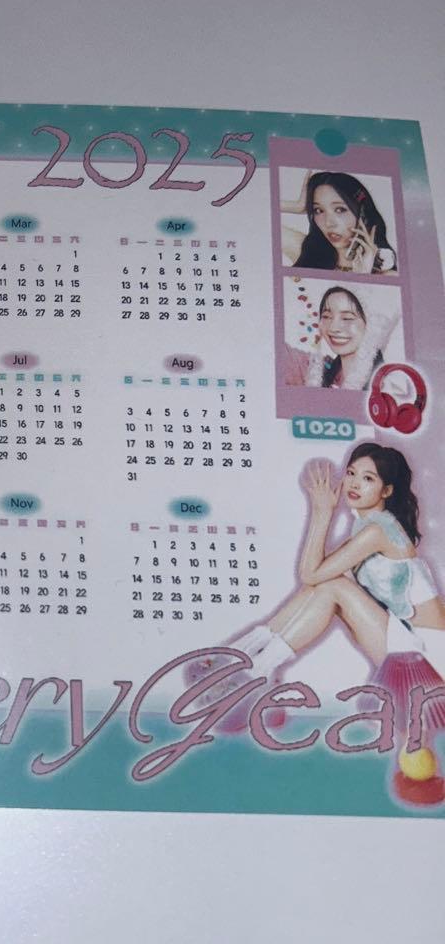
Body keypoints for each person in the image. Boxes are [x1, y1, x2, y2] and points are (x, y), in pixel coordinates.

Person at [196, 446, 445, 738]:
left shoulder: (378, 533)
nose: (354, 483)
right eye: (351, 473)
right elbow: (315, 578)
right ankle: (242, 657)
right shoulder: (368, 526)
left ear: (387, 490)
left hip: (426, 658)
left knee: (333, 585)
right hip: (403, 640)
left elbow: (310, 573)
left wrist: (322, 511)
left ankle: (253, 671)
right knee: (328, 584)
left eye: (368, 478)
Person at [280, 170, 397, 274]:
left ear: (363, 214)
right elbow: (268, 222)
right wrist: (297, 206)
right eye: (318, 210)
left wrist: (363, 275)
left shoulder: (387, 277)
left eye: (340, 210)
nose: (329, 223)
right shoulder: (307, 253)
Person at [283, 286, 393, 390]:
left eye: (347, 318)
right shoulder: (317, 370)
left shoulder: (387, 383)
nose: (333, 328)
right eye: (326, 316)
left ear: (369, 324)